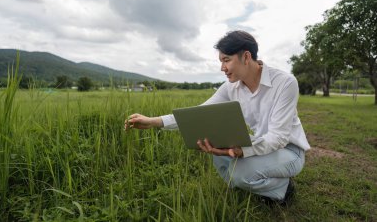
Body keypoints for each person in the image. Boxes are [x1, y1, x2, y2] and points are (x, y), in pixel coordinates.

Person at [125, 30, 310, 205]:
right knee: (218, 152)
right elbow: (198, 114)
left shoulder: (285, 83)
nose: (222, 68)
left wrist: (243, 151)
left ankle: (283, 188)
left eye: (226, 60)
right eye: (221, 61)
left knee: (238, 175)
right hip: (262, 146)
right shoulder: (231, 87)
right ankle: (253, 181)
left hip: (289, 151)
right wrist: (153, 121)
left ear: (246, 57)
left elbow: (278, 137)